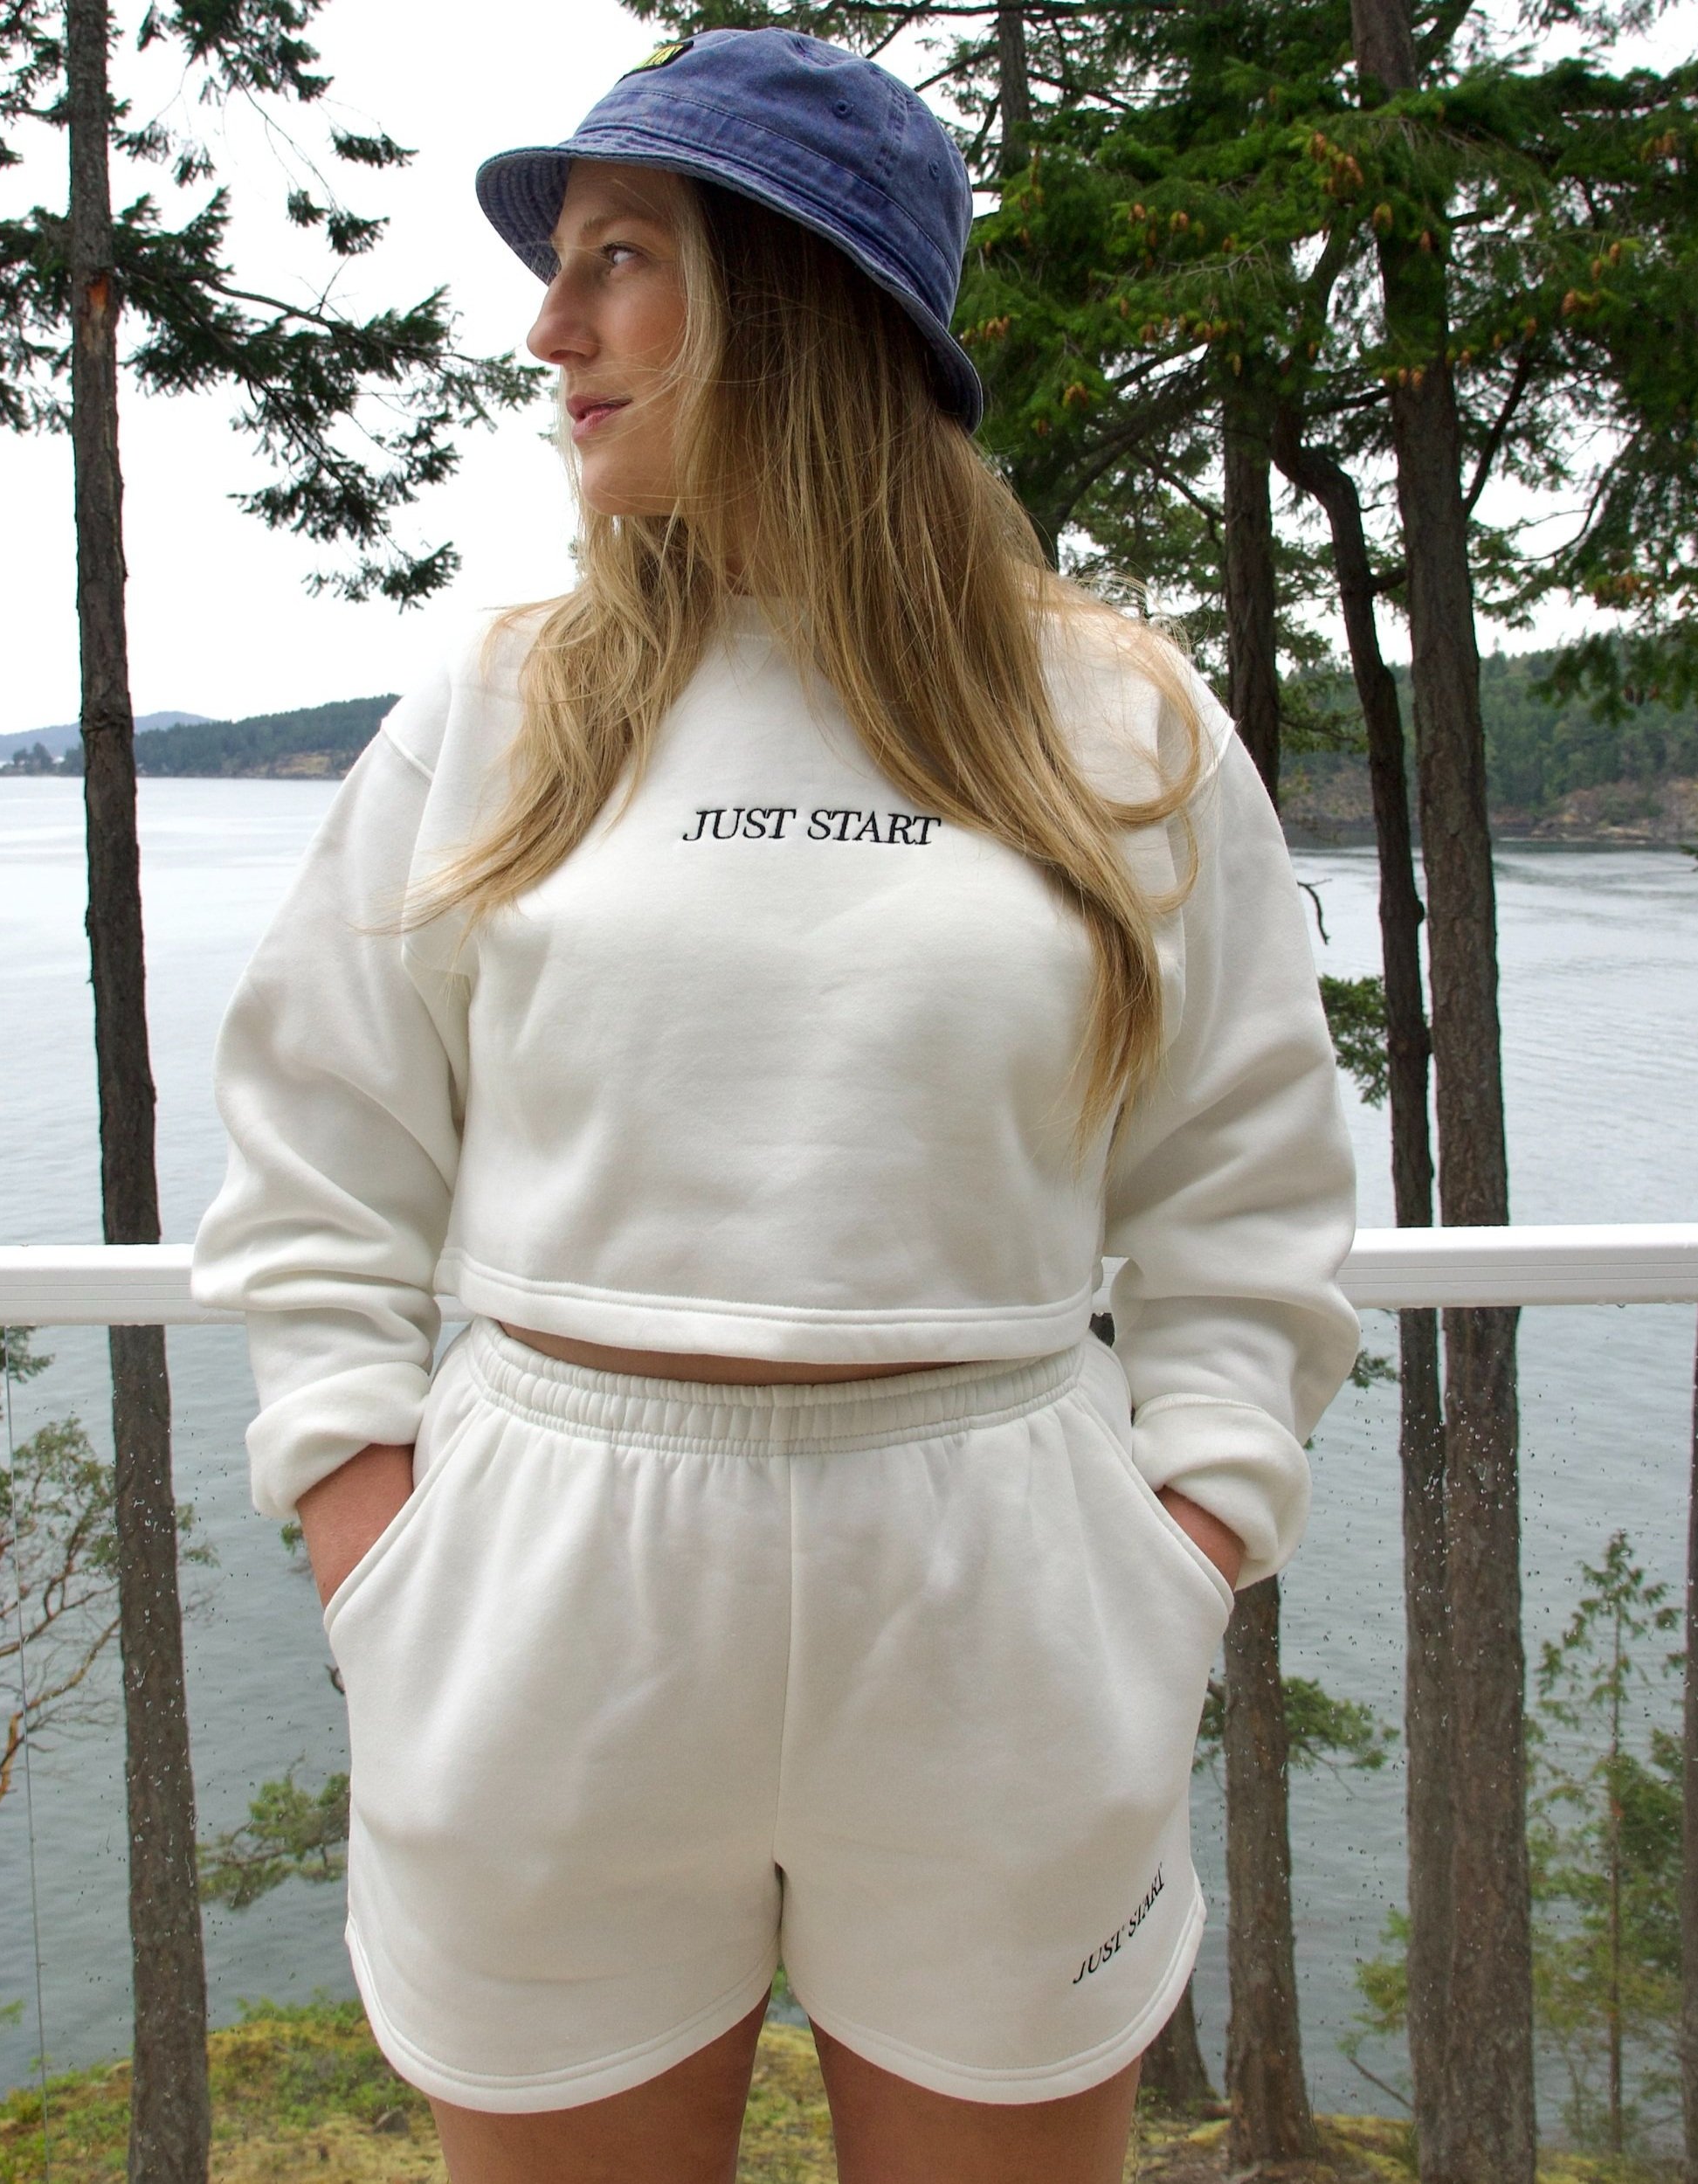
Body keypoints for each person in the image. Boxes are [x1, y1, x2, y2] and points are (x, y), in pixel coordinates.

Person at [192, 26, 1359, 2184]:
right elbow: (320, 1148)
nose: (549, 329)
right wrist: (381, 1551)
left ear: (802, 298)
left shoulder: (1107, 715)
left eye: (616, 258)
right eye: (560, 265)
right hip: (547, 1600)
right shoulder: (506, 701)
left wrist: (1174, 1556)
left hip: (998, 1599)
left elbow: (1243, 1190)